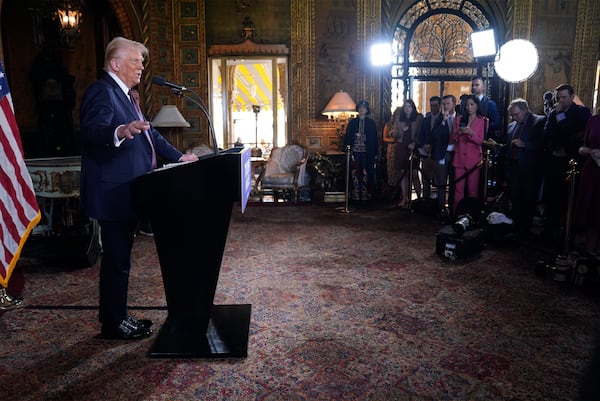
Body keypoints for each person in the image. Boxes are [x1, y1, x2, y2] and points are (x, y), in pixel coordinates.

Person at [79, 37, 198, 340]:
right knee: (117, 260)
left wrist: (179, 156)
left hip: (131, 190)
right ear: (116, 64)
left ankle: (116, 317)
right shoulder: (102, 91)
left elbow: (150, 136)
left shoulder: (129, 97)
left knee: (121, 259)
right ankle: (114, 323)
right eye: (136, 61)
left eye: (142, 62)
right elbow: (94, 130)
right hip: (114, 192)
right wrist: (120, 130)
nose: (142, 66)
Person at [542, 83, 591, 244]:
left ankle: (567, 234)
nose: (560, 100)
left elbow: (572, 133)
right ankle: (549, 231)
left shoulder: (582, 113)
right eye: (558, 98)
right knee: (551, 197)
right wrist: (560, 141)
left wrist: (561, 117)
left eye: (564, 97)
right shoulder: (552, 112)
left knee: (567, 199)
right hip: (554, 160)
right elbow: (548, 132)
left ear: (571, 97)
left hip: (571, 162)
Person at [502, 98, 545, 234]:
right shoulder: (511, 126)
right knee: (515, 198)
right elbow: (506, 145)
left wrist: (525, 145)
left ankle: (525, 229)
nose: (514, 117)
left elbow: (543, 145)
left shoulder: (539, 121)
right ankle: (515, 226)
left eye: (516, 114)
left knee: (528, 199)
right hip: (513, 166)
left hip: (529, 168)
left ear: (525, 110)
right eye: (512, 115)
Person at [422, 94, 457, 214]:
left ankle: (453, 208)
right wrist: (443, 121)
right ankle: (440, 208)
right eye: (444, 104)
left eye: (448, 103)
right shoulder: (439, 119)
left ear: (454, 103)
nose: (446, 106)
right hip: (443, 153)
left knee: (455, 182)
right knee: (441, 183)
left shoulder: (460, 118)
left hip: (457, 153)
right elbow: (435, 135)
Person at [451, 95, 486, 212]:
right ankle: (456, 213)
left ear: (477, 106)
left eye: (472, 105)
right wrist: (458, 133)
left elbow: (480, 141)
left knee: (472, 190)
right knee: (458, 189)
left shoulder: (483, 121)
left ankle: (471, 215)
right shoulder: (459, 119)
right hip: (459, 158)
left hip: (474, 159)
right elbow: (453, 139)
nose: (469, 107)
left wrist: (471, 133)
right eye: (467, 105)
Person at [573, 111, 600, 254]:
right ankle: (590, 254)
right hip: (592, 170)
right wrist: (583, 149)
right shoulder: (594, 120)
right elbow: (585, 144)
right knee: (592, 212)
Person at [343, 100, 378, 201]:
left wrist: (375, 152)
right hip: (355, 152)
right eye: (360, 108)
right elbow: (348, 136)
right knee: (355, 171)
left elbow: (374, 139)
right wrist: (349, 146)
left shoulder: (371, 123)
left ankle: (367, 194)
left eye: (364, 108)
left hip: (367, 152)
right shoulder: (352, 122)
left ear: (367, 110)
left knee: (366, 171)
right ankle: (355, 194)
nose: (361, 109)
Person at [393, 99, 423, 207]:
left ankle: (419, 198)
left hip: (413, 148)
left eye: (409, 106)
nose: (407, 109)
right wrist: (401, 131)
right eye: (405, 106)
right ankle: (404, 198)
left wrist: (415, 143)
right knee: (403, 174)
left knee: (414, 173)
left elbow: (421, 133)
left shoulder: (418, 118)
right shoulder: (399, 119)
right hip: (401, 148)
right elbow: (394, 134)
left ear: (413, 107)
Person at [419, 96, 442, 200]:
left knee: (438, 179)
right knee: (426, 178)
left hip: (438, 153)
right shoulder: (426, 120)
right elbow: (422, 134)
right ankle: (425, 199)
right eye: (431, 105)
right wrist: (424, 144)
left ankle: (438, 201)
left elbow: (444, 136)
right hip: (426, 153)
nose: (433, 108)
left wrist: (434, 146)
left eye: (435, 105)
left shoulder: (443, 119)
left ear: (440, 106)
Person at [383, 107, 402, 203]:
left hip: (400, 149)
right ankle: (392, 190)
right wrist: (393, 140)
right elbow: (384, 138)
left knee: (400, 171)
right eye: (397, 115)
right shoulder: (389, 124)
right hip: (391, 149)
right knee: (391, 169)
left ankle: (400, 191)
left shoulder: (403, 124)